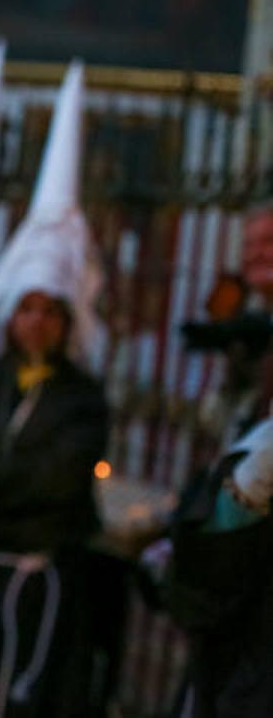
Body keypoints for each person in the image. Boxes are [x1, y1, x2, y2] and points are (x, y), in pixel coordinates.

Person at [0, 290, 109, 717]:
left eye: (50, 312)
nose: (36, 322)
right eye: (26, 310)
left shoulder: (82, 397)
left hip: (28, 584)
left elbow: (55, 476)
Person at [167, 199, 273, 717]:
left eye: (270, 243)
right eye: (252, 244)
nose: (258, 256)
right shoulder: (249, 331)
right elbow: (220, 425)